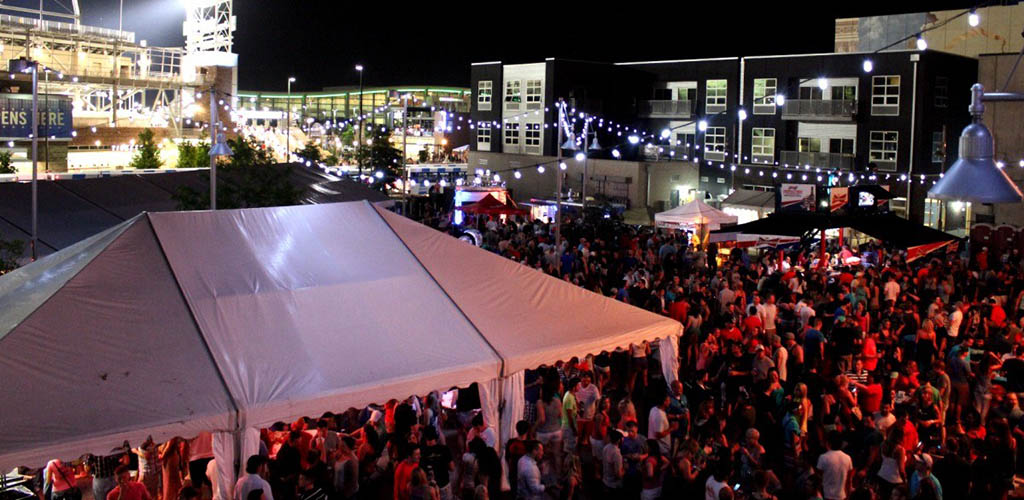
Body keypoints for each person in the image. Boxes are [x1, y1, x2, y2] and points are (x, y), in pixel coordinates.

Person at [816, 431, 853, 500]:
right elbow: (849, 481)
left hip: (826, 496)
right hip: (842, 496)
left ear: (828, 443)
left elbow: (818, 478)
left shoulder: (823, 457)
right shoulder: (848, 458)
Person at [419, 427, 453, 500]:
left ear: (425, 439)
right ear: (436, 437)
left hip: (431, 489)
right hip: (444, 485)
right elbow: (452, 468)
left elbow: (422, 472)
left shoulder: (423, 453)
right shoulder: (445, 449)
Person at [601, 430, 624, 495]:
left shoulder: (606, 447)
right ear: (619, 440)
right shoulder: (616, 454)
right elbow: (618, 475)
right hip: (613, 486)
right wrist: (625, 469)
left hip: (605, 482)